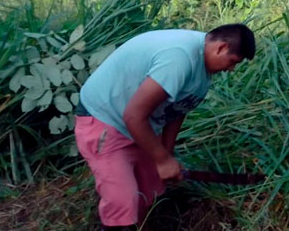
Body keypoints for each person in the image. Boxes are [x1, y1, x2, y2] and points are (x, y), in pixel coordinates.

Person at [74, 24, 256, 231]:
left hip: (140, 124)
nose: (230, 70)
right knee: (123, 199)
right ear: (222, 48)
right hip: (104, 119)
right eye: (233, 62)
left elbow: (177, 110)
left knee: (150, 188)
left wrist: (166, 155)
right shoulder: (178, 58)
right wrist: (161, 160)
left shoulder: (203, 70)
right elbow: (133, 116)